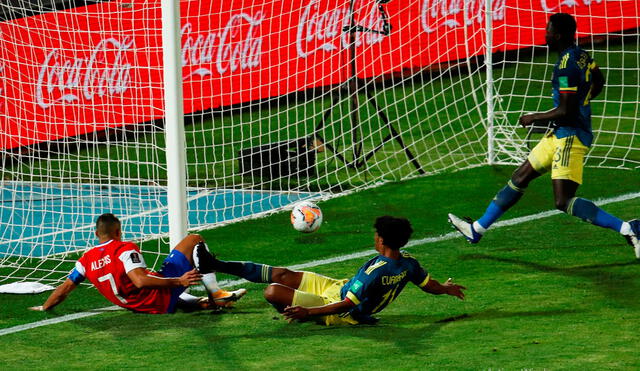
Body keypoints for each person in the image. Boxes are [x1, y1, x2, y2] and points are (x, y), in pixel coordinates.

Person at [448, 13, 640, 256]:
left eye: (548, 31)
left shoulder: (565, 67)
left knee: (563, 200)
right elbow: (598, 80)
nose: (545, 35)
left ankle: (628, 228)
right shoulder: (580, 55)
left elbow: (565, 109)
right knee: (520, 176)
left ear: (557, 35)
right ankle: (477, 229)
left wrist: (533, 118)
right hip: (560, 131)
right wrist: (583, 103)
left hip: (570, 136)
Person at [193, 216, 466, 325]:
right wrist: (446, 289)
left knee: (273, 291)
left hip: (341, 309)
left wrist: (308, 312)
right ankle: (214, 265)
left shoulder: (378, 271)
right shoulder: (408, 263)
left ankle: (297, 312)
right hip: (336, 287)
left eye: (375, 235)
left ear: (381, 240)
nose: (374, 238)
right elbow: (427, 284)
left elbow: (347, 304)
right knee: (283, 275)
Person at [29, 213, 246, 314]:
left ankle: (202, 303)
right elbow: (141, 281)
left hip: (135, 305)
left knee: (155, 276)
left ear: (96, 234)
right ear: (118, 231)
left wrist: (44, 306)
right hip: (155, 298)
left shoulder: (85, 260)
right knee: (194, 240)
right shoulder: (124, 249)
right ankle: (215, 293)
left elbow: (65, 289)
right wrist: (178, 280)